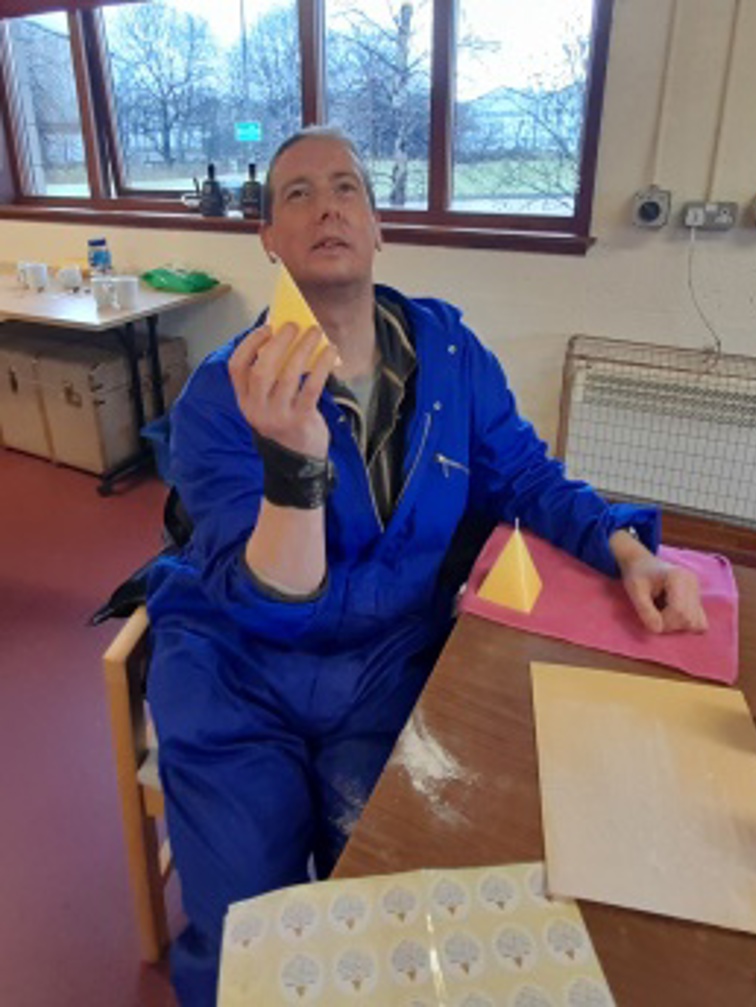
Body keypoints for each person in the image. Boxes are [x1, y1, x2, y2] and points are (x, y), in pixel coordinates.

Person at [145, 126, 708, 1006]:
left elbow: (525, 475)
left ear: (377, 226)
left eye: (346, 189)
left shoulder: (450, 354)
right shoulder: (223, 393)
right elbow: (275, 605)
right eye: (296, 194)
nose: (326, 204)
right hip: (236, 678)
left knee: (401, 896)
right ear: (266, 237)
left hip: (383, 668)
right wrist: (294, 460)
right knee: (251, 939)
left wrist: (626, 547)